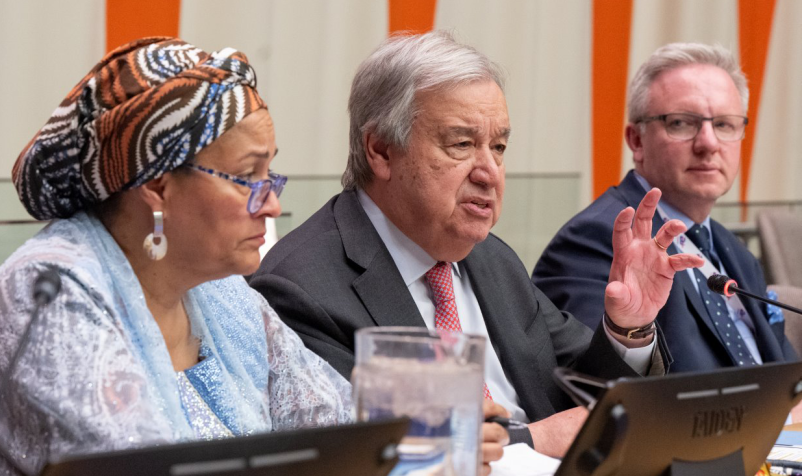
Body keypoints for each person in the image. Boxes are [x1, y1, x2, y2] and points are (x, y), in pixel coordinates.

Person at [250, 31, 703, 458]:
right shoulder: (302, 286)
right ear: (382, 151)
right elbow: (373, 449)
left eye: (500, 147)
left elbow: (587, 393)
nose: (489, 173)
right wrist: (534, 440)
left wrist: (628, 328)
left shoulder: (490, 257)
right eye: (462, 144)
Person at [0, 38, 357, 476]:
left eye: (269, 174)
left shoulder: (223, 294)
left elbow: (345, 433)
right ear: (157, 186)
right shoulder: (49, 295)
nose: (273, 205)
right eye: (245, 177)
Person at [532, 43, 797, 373]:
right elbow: (592, 388)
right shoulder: (595, 240)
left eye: (725, 125)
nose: (709, 143)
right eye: (681, 123)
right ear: (637, 141)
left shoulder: (734, 251)